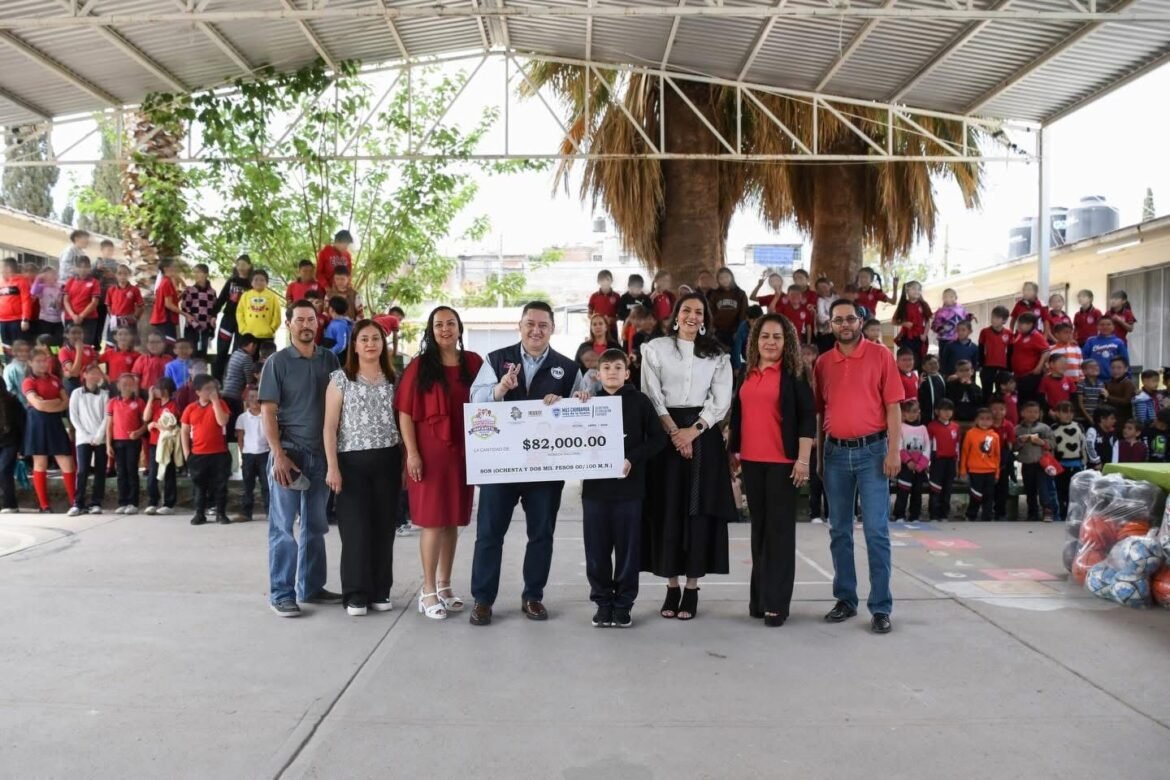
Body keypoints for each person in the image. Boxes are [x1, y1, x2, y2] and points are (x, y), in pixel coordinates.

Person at [467, 301, 585, 626]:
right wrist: (499, 389)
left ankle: (533, 596)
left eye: (543, 325)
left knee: (541, 534)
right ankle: (482, 600)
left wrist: (571, 403)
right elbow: (474, 400)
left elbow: (582, 411)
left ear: (552, 329)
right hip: (501, 464)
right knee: (489, 534)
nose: (536, 330)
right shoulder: (496, 360)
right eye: (530, 324)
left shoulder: (568, 368)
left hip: (544, 468)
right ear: (519, 326)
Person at [640, 292, 734, 622]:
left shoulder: (717, 355)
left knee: (698, 511)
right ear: (676, 315)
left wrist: (692, 432)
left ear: (705, 319)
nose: (692, 316)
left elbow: (720, 399)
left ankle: (692, 588)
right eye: (686, 310)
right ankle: (671, 586)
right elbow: (651, 394)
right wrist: (674, 433)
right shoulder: (656, 348)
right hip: (664, 433)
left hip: (702, 434)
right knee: (668, 509)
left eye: (699, 312)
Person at [816, 298, 901, 633]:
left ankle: (880, 607)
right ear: (831, 325)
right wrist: (820, 458)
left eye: (850, 319)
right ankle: (845, 600)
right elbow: (821, 413)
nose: (845, 325)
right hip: (835, 455)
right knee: (839, 531)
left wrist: (893, 452)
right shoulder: (823, 363)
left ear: (861, 321)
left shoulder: (881, 355)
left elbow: (893, 407)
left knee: (876, 532)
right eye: (838, 320)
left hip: (873, 454)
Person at [393, 306, 482, 619]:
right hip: (428, 454)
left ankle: (445, 586)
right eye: (439, 324)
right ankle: (428, 591)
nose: (445, 329)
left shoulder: (474, 362)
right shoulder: (420, 366)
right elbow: (405, 412)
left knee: (452, 520)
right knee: (432, 521)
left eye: (450, 323)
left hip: (462, 453)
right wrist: (412, 453)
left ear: (459, 327)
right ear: (431, 331)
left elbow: (490, 401)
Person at [728, 314, 814, 626]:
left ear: (786, 341)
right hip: (752, 463)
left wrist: (803, 460)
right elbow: (738, 415)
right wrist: (732, 451)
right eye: (765, 336)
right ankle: (760, 600)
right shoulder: (745, 372)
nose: (770, 342)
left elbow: (807, 418)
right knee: (759, 532)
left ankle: (777, 604)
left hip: (783, 465)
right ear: (755, 340)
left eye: (777, 337)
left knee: (779, 535)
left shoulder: (795, 374)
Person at [259, 300, 342, 617]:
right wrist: (278, 454)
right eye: (300, 320)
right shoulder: (277, 362)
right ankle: (282, 593)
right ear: (288, 324)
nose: (306, 325)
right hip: (289, 455)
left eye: (311, 320)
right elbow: (268, 412)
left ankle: (311, 587)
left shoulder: (329, 359)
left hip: (321, 455)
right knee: (283, 528)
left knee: (316, 526)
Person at [577, 349, 667, 628]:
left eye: (618, 367)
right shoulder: (588, 402)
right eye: (607, 368)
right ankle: (603, 604)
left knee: (628, 552)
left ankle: (623, 605)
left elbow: (658, 439)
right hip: (595, 491)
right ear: (597, 374)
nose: (612, 372)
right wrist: (570, 404)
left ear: (627, 373)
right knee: (596, 552)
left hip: (630, 491)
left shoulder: (640, 402)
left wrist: (632, 459)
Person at [322, 319, 402, 617]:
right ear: (354, 345)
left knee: (384, 528)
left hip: (389, 461)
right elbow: (329, 427)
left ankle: (381, 590)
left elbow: (404, 423)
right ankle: (356, 593)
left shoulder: (394, 379)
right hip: (351, 464)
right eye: (364, 339)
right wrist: (332, 467)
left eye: (376, 339)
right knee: (356, 530)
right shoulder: (340, 379)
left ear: (383, 344)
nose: (370, 344)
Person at [181, 375, 232, 525]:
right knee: (199, 486)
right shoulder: (190, 408)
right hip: (198, 453)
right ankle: (199, 513)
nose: (211, 391)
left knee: (220, 485)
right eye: (207, 389)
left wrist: (215, 402)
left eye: (213, 388)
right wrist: (186, 452)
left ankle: (221, 513)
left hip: (219, 452)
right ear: (198, 392)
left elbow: (222, 421)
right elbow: (184, 431)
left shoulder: (221, 404)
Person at [68, 364, 108, 516]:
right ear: (84, 375)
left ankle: (96, 502)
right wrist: (85, 433)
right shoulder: (76, 393)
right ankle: (78, 503)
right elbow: (74, 416)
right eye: (92, 373)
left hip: (100, 438)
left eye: (98, 373)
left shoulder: (104, 394)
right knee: (82, 470)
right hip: (83, 438)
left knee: (100, 470)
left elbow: (106, 417)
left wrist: (99, 435)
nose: (95, 376)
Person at [106, 372, 145, 514]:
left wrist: (138, 432)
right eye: (124, 384)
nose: (127, 387)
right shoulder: (112, 402)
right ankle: (122, 502)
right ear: (118, 386)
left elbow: (145, 423)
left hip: (133, 442)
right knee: (121, 472)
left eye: (130, 384)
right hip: (117, 441)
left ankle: (133, 503)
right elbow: (109, 425)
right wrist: (108, 444)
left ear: (134, 386)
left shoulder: (139, 402)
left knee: (132, 471)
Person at [211, 254, 254, 380]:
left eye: (243, 264)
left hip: (244, 321)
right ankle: (217, 379)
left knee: (238, 351)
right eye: (238, 264)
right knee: (222, 349)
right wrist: (214, 315)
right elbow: (221, 298)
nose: (241, 267)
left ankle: (234, 379)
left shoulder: (253, 283)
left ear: (249, 266)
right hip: (228, 319)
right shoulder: (231, 281)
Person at [143, 377, 180, 515]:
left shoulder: (173, 405)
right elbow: (146, 417)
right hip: (154, 443)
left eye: (158, 389)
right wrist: (150, 399)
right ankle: (152, 501)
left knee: (169, 472)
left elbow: (171, 426)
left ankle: (169, 503)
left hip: (167, 443)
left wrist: (155, 425)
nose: (156, 391)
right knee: (152, 473)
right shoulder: (155, 403)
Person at [1014, 401, 1057, 522]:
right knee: (1030, 489)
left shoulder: (1044, 428)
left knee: (1043, 488)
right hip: (1026, 463)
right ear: (1022, 413)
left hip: (1041, 464)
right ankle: (1032, 513)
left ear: (1040, 414)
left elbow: (1053, 444)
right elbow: (1013, 448)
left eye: (1035, 412)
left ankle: (1047, 511)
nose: (1032, 414)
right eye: (1029, 412)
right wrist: (1020, 442)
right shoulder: (1017, 429)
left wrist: (1042, 442)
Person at [234, 388, 269, 523]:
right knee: (247, 485)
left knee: (267, 485)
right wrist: (243, 454)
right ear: (247, 400)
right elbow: (240, 438)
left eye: (257, 397)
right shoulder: (242, 418)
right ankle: (246, 513)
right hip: (248, 454)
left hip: (265, 453)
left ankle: (270, 512)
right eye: (252, 397)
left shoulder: (268, 415)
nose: (255, 400)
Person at [959, 408, 1000, 522]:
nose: (984, 421)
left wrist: (997, 473)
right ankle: (971, 515)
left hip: (990, 471)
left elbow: (997, 456)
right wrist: (963, 470)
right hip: (975, 470)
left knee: (989, 495)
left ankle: (987, 516)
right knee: (975, 494)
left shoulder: (995, 436)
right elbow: (965, 452)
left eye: (988, 419)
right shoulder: (970, 434)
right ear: (976, 420)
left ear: (992, 421)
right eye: (981, 419)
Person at [892, 399, 930, 524]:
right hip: (905, 467)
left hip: (919, 467)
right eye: (908, 412)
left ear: (919, 412)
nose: (911, 414)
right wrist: (908, 461)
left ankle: (915, 516)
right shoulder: (901, 428)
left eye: (914, 411)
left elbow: (927, 447)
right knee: (903, 490)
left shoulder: (923, 429)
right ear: (903, 413)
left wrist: (922, 464)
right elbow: (899, 446)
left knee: (917, 492)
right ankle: (899, 515)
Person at [1051, 401, 1087, 520]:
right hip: (1060, 465)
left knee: (1075, 492)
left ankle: (1074, 516)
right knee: (1060, 491)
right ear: (1057, 413)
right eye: (1065, 412)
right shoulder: (1053, 429)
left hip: (1076, 464)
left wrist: (1084, 462)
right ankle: (1061, 514)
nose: (1068, 414)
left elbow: (1083, 446)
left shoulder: (1078, 427)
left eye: (1071, 412)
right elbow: (1052, 448)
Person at [927, 399, 959, 521]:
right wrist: (928, 462)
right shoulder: (932, 426)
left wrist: (957, 464)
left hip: (951, 461)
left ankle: (944, 514)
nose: (947, 413)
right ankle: (934, 514)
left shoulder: (955, 427)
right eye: (944, 410)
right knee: (935, 488)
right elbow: (928, 445)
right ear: (937, 411)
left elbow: (957, 446)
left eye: (950, 410)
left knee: (947, 488)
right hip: (937, 461)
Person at [62, 256, 103, 348]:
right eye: (80, 267)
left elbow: (94, 302)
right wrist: (73, 315)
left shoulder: (95, 282)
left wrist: (81, 316)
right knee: (69, 347)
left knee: (85, 346)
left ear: (89, 268)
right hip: (71, 318)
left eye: (86, 267)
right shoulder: (70, 281)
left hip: (88, 319)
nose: (83, 269)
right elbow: (65, 300)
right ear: (76, 268)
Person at [237, 270, 282, 348]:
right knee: (248, 355)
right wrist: (243, 329)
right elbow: (240, 312)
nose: (259, 282)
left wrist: (272, 328)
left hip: (267, 335)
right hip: (248, 334)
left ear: (266, 282)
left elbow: (277, 314)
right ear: (251, 282)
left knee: (266, 355)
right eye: (256, 280)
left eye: (262, 280)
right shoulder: (245, 295)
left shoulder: (272, 296)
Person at [1010, 312, 1050, 404]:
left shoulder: (1036, 336)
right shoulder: (1020, 335)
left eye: (1022, 323)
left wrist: (1039, 367)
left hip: (1030, 376)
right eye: (1019, 323)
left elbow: (1046, 351)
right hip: (1018, 376)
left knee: (1028, 402)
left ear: (1030, 324)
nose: (1019, 325)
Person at [705, 267, 748, 350]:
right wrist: (712, 328)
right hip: (718, 331)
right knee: (720, 354)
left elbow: (743, 313)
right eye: (721, 278)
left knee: (734, 354)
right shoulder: (714, 294)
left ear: (731, 277)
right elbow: (710, 312)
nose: (724, 280)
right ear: (718, 280)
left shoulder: (740, 293)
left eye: (727, 277)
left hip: (735, 331)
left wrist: (739, 330)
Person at [891, 281, 931, 369]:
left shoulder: (923, 305)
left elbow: (928, 321)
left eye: (919, 289)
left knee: (921, 361)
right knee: (909, 360)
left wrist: (925, 334)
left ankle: (919, 377)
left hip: (920, 337)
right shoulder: (903, 305)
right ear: (907, 290)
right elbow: (893, 321)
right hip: (907, 338)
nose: (916, 291)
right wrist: (904, 323)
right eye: (914, 289)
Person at [181, 264, 218, 357]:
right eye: (194, 272)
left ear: (206, 274)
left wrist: (212, 328)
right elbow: (185, 308)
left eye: (198, 272)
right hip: (191, 328)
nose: (196, 275)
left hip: (205, 328)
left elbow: (214, 309)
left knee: (203, 354)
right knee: (190, 353)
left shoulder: (212, 292)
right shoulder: (190, 290)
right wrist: (195, 324)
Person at [990, 396, 1016, 521]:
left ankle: (1000, 512)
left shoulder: (1008, 425)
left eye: (1001, 409)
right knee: (989, 487)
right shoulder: (987, 424)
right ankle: (988, 510)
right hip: (988, 460)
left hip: (1003, 460)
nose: (998, 412)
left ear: (1005, 411)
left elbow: (1010, 445)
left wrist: (1004, 460)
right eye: (994, 409)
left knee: (1003, 487)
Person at [103, 265, 144, 346]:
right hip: (115, 321)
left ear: (129, 275)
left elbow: (141, 305)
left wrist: (135, 317)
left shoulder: (134, 290)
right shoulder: (111, 290)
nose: (122, 276)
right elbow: (108, 305)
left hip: (128, 322)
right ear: (116, 275)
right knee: (112, 344)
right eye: (120, 273)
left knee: (130, 344)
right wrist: (113, 317)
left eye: (125, 274)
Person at [0, 380, 24, 513]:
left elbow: (22, 423)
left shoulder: (12, 401)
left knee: (4, 470)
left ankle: (10, 504)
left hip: (11, 441)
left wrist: (22, 447)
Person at [0, 257, 32, 354]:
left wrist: (25, 319)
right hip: (2, 321)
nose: (0, 269)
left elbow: (26, 300)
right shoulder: (1, 282)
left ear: (8, 268)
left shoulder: (21, 281)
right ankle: (8, 363)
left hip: (16, 320)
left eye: (1, 267)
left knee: (18, 347)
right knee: (6, 347)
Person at [977, 305, 1012, 394]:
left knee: (1001, 392)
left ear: (1004, 320)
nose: (993, 320)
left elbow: (1010, 351)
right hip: (987, 366)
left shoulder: (1009, 333)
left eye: (997, 318)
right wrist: (981, 365)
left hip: (1003, 367)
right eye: (992, 317)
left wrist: (1009, 368)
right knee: (986, 392)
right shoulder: (984, 332)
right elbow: (980, 349)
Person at [149, 260, 182, 346]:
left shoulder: (165, 281)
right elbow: (168, 304)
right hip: (165, 319)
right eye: (173, 267)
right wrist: (185, 314)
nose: (175, 269)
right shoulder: (166, 282)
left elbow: (171, 301)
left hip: (164, 319)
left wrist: (182, 295)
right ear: (166, 269)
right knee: (169, 345)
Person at [59, 324, 98, 395]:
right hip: (73, 381)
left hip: (88, 379)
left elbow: (94, 367)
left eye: (79, 333)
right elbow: (75, 373)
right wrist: (79, 350)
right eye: (73, 333)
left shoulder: (89, 348)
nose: (77, 335)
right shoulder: (64, 351)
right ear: (67, 335)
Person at [30, 267, 64, 347]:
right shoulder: (42, 287)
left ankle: (55, 354)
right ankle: (45, 354)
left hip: (58, 320)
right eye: (47, 276)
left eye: (52, 275)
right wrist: (38, 278)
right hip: (45, 320)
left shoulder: (61, 286)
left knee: (57, 342)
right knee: (45, 341)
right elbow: (33, 292)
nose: (50, 278)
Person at [1037, 353, 1076, 419]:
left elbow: (1074, 397)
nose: (1064, 365)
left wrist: (1069, 411)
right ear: (1052, 364)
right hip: (1051, 413)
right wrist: (1049, 410)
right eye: (1061, 362)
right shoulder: (1045, 380)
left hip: (1066, 413)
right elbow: (1041, 398)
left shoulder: (1069, 380)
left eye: (1065, 363)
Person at [588, 269, 621, 342]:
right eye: (602, 280)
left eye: (607, 280)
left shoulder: (617, 296)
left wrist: (612, 320)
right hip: (597, 330)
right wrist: (596, 319)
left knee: (613, 347)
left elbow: (620, 314)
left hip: (612, 329)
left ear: (611, 281)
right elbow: (589, 313)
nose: (605, 282)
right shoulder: (594, 296)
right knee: (597, 347)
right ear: (598, 282)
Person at [1104, 356, 1136, 422]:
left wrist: (1108, 397)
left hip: (1124, 420)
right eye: (1113, 368)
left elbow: (1126, 402)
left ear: (1126, 369)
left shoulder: (1128, 383)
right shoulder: (1107, 383)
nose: (1115, 371)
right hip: (1109, 419)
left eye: (1119, 368)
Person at [918, 354, 946, 424]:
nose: (933, 366)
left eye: (935, 363)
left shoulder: (942, 377)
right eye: (930, 364)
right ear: (924, 367)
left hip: (941, 411)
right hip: (927, 414)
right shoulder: (923, 378)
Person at [1077, 357, 1106, 425]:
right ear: (1084, 371)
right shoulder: (1081, 384)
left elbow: (1102, 401)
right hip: (1084, 418)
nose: (1095, 368)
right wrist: (1089, 418)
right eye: (1091, 367)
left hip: (1097, 418)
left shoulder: (1101, 384)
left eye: (1096, 366)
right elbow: (1080, 404)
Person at [5, 340, 31, 408]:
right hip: (20, 403)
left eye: (27, 351)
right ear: (15, 352)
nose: (24, 354)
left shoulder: (32, 365)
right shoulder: (10, 368)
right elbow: (9, 388)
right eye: (21, 351)